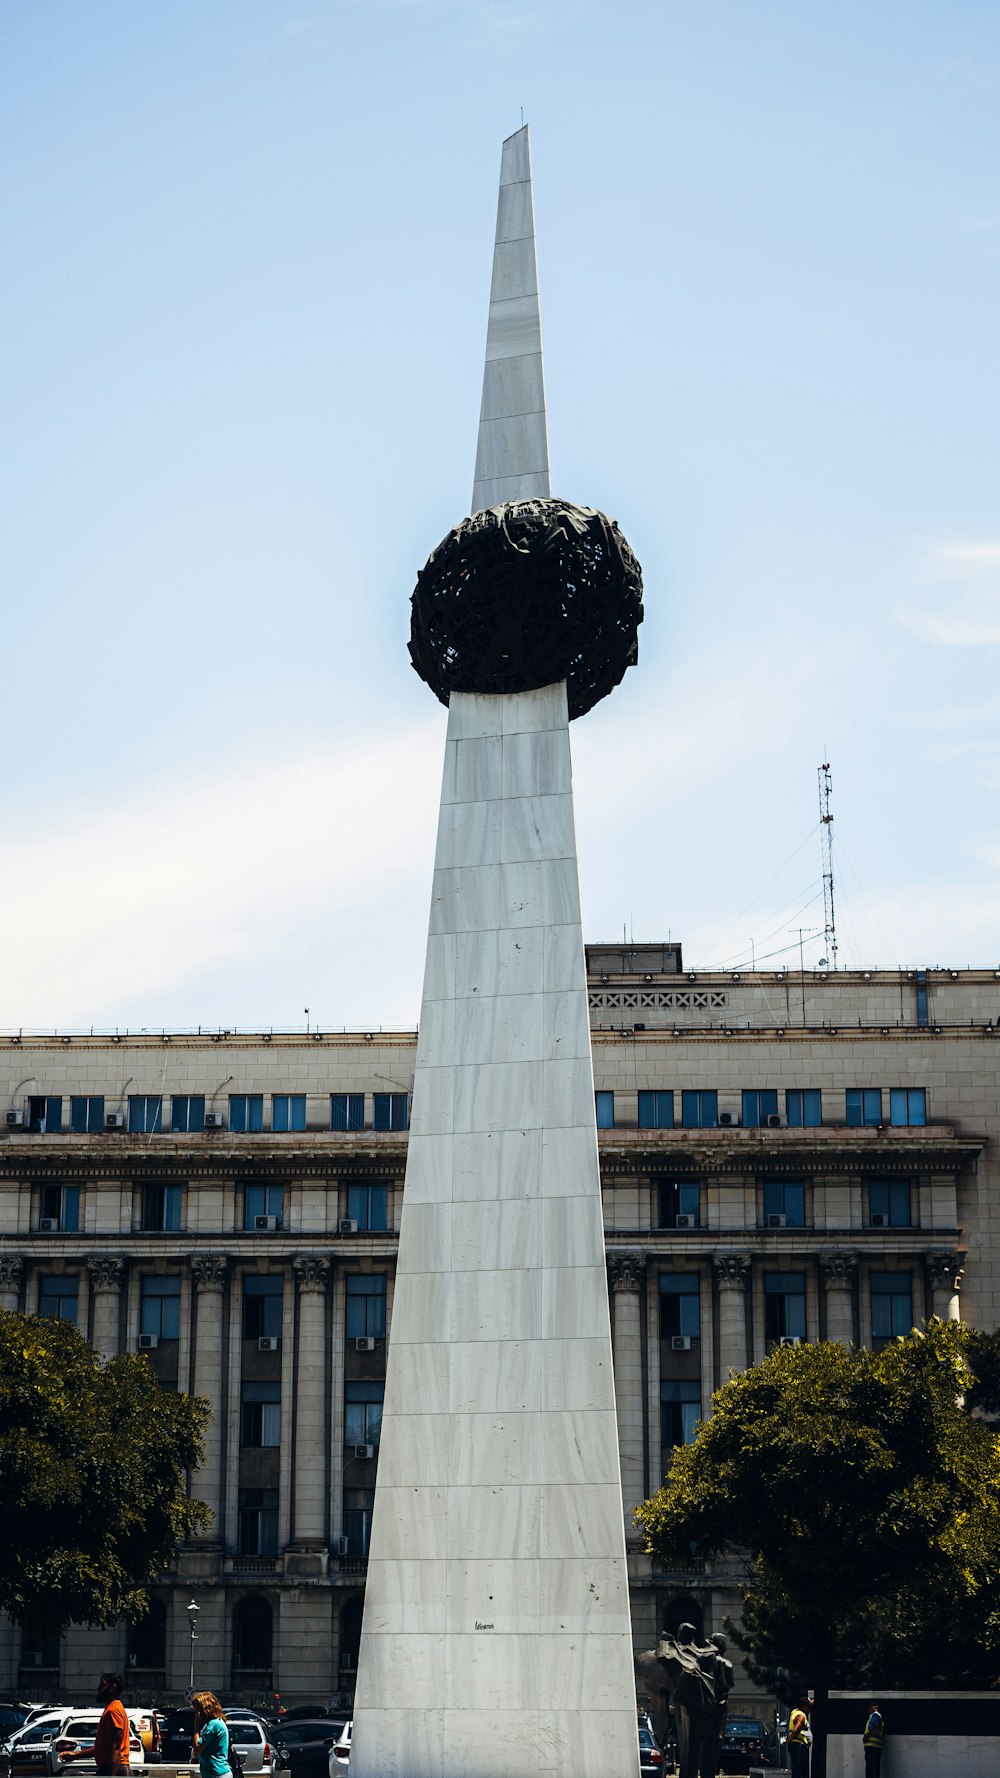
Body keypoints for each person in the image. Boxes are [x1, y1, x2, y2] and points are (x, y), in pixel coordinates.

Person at [93, 1672, 131, 1777]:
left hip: (115, 1769)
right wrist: (76, 1755)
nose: (99, 1688)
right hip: (112, 1768)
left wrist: (111, 1776)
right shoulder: (112, 1708)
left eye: (103, 1685)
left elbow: (116, 1748)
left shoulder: (113, 1710)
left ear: (112, 1688)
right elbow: (105, 1747)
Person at [191, 1693, 230, 1778]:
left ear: (206, 1709)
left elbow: (197, 1748)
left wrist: (196, 1727)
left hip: (217, 1774)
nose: (197, 1714)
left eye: (198, 1710)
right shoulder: (217, 1723)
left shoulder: (213, 1725)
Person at [786, 1702, 811, 1778]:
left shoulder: (794, 1712)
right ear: (803, 1706)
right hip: (799, 1745)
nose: (809, 1709)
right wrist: (789, 1740)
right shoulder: (801, 1716)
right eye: (808, 1706)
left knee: (797, 1767)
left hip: (795, 1744)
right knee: (800, 1768)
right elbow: (796, 1729)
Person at [863, 1703, 884, 1778]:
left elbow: (877, 1729)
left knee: (871, 1770)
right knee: (872, 1770)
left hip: (872, 1747)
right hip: (873, 1747)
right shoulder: (874, 1716)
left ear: (875, 1707)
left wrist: (866, 1736)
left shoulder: (875, 1715)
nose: (868, 1709)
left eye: (870, 1706)